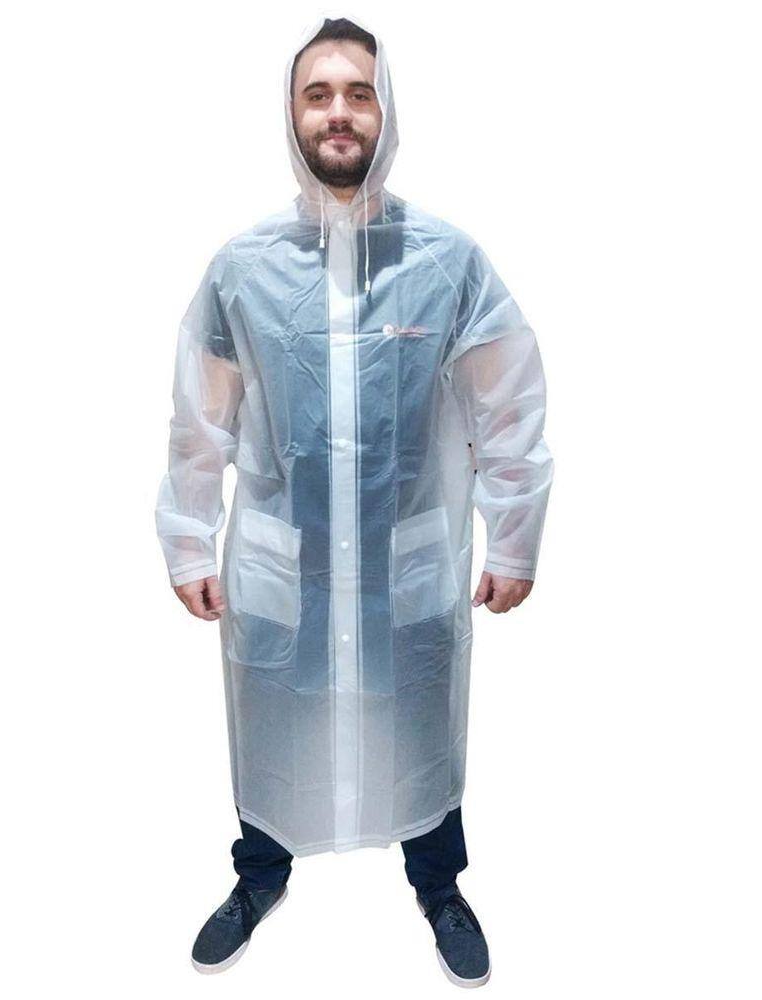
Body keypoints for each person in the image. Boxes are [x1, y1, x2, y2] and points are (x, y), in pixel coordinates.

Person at [155, 14, 553, 988]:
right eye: (318, 93)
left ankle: (439, 886)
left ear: (386, 112)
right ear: (292, 115)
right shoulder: (242, 267)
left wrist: (514, 538)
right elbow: (200, 417)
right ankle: (259, 875)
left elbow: (508, 404)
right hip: (282, 564)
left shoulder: (449, 261)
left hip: (405, 560)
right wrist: (189, 538)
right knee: (274, 719)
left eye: (358, 93)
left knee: (418, 718)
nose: (338, 111)